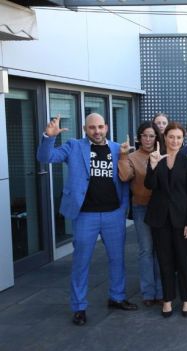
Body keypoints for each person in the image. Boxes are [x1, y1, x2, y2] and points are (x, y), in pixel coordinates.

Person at [37, 114, 136, 326]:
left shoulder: (119, 148)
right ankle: (79, 307)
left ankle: (117, 297)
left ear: (107, 127)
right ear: (84, 128)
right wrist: (48, 136)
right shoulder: (73, 146)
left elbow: (126, 179)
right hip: (85, 216)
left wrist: (123, 209)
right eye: (92, 128)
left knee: (117, 259)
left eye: (100, 127)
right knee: (81, 262)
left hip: (113, 214)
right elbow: (46, 157)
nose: (97, 131)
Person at [144, 122, 187, 318]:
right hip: (160, 219)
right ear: (164, 138)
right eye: (171, 137)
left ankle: (186, 298)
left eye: (178, 137)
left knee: (183, 261)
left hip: (182, 220)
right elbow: (149, 185)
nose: (174, 141)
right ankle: (167, 299)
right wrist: (151, 165)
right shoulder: (156, 158)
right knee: (164, 261)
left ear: (182, 140)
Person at [118, 122, 163, 307]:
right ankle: (148, 292)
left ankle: (161, 291)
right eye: (144, 135)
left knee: (160, 251)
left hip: (161, 208)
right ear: (139, 137)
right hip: (141, 207)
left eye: (152, 136)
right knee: (146, 250)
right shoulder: (132, 156)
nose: (148, 139)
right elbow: (125, 176)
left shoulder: (163, 155)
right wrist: (122, 155)